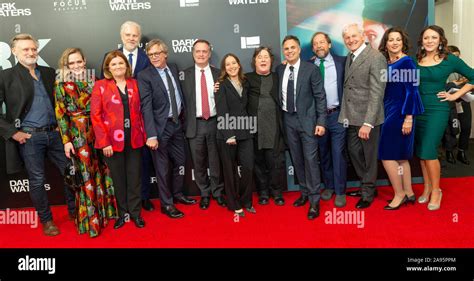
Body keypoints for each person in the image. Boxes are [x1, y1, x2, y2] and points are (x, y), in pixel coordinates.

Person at [0, 34, 75, 236]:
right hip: (30, 138)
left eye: (33, 49)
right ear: (14, 51)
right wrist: (13, 132)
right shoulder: (5, 77)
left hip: (56, 134)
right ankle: (47, 220)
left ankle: (74, 211)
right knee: (37, 180)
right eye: (26, 49)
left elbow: (64, 101)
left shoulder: (50, 73)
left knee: (70, 172)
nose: (31, 52)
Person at [54, 48, 118, 237]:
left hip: (97, 131)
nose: (76, 66)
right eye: (71, 63)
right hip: (77, 134)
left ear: (84, 61)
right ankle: (90, 222)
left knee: (101, 171)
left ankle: (105, 215)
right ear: (66, 66)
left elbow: (105, 109)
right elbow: (61, 115)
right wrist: (66, 141)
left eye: (78, 62)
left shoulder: (95, 82)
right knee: (85, 177)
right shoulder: (61, 84)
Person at [414, 25, 474, 211]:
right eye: (426, 38)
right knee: (422, 155)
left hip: (437, 111)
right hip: (418, 111)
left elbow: (472, 76)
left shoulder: (449, 60)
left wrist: (455, 96)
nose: (430, 41)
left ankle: (437, 191)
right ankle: (427, 188)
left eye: (434, 37)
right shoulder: (416, 60)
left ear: (441, 40)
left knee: (429, 151)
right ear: (422, 41)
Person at [137, 39, 196, 219]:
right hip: (159, 128)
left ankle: (177, 194)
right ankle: (166, 204)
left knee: (180, 162)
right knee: (162, 169)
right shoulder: (144, 75)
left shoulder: (174, 68)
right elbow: (145, 106)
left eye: (157, 53)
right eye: (151, 54)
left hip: (177, 124)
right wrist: (151, 134)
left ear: (165, 54)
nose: (154, 57)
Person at [101, 21, 154, 211]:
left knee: (142, 166)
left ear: (139, 38)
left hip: (139, 124)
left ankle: (144, 199)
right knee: (121, 172)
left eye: (135, 35)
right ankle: (123, 209)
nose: (131, 38)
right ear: (121, 36)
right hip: (115, 131)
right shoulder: (110, 58)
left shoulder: (147, 58)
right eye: (128, 35)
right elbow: (104, 97)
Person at [91, 51, 146, 228]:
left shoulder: (135, 84)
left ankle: (136, 213)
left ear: (126, 65)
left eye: (121, 63)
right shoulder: (100, 85)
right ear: (108, 68)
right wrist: (104, 142)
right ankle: (123, 214)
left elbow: (142, 111)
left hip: (135, 138)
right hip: (111, 142)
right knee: (119, 179)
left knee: (134, 177)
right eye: (113, 64)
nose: (118, 67)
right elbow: (96, 116)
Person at [276, 35, 326, 220]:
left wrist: (321, 122)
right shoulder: (280, 69)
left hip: (307, 121)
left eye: (292, 48)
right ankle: (304, 192)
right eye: (286, 48)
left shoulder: (311, 69)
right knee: (296, 159)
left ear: (299, 49)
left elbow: (320, 96)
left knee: (310, 160)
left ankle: (314, 200)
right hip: (287, 120)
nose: (289, 51)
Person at [338, 23, 387, 209]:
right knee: (354, 153)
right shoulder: (350, 57)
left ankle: (368, 191)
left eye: (354, 36)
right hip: (350, 118)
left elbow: (377, 92)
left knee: (369, 156)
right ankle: (367, 184)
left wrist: (368, 122)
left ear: (362, 36)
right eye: (347, 38)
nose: (350, 40)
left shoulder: (376, 57)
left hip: (368, 119)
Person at [377, 27, 424, 210]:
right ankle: (410, 192)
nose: (395, 43)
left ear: (403, 42)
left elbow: (413, 91)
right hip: (389, 111)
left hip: (400, 114)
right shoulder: (388, 63)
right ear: (386, 43)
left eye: (398, 39)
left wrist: (409, 117)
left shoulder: (407, 62)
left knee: (387, 155)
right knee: (402, 158)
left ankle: (399, 194)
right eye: (391, 40)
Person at [181, 39, 226, 210]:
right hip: (195, 124)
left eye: (204, 51)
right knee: (198, 162)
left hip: (215, 122)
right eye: (198, 51)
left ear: (209, 53)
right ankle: (205, 193)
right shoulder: (184, 75)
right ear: (193, 53)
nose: (201, 54)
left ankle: (217, 192)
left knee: (215, 161)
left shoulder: (219, 74)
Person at [310, 32, 348, 208]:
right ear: (313, 48)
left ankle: (340, 191)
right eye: (316, 44)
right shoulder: (308, 65)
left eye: (322, 42)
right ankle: (329, 186)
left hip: (338, 115)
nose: (319, 46)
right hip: (319, 118)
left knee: (338, 154)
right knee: (323, 153)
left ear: (329, 44)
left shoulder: (343, 62)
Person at [246, 47, 286, 206]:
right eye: (259, 57)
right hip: (254, 128)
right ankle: (263, 192)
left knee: (275, 162)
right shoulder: (246, 78)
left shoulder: (279, 76)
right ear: (254, 61)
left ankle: (276, 192)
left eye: (266, 57)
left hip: (274, 127)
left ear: (271, 61)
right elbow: (231, 87)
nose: (263, 60)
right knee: (258, 161)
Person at [215, 54, 255, 217]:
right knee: (230, 171)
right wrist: (229, 135)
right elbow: (221, 110)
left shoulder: (246, 82)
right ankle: (233, 203)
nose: (231, 66)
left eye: (234, 63)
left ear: (239, 64)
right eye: (227, 64)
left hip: (245, 130)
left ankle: (247, 201)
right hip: (227, 132)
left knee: (248, 167)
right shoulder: (221, 85)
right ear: (225, 68)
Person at [443, 45, 471, 165]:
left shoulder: (462, 68)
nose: (457, 59)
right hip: (449, 103)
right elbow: (447, 85)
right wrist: (459, 82)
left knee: (466, 126)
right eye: (455, 57)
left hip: (463, 101)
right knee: (450, 129)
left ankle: (461, 151)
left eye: (458, 57)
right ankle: (449, 152)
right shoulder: (443, 68)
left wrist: (461, 83)